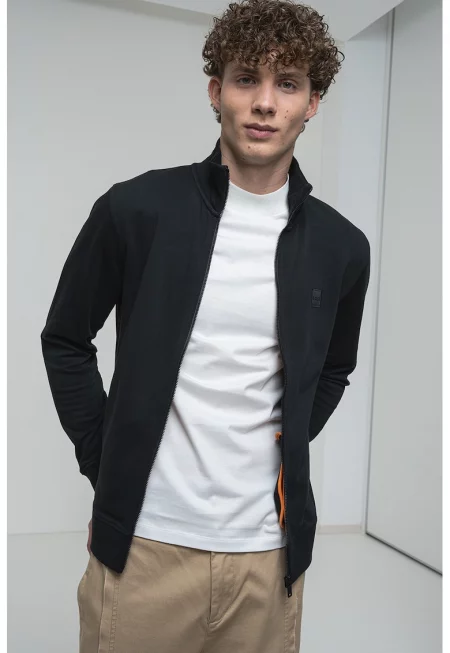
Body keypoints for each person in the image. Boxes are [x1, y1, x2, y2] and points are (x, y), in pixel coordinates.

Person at [41, 0, 370, 651]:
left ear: (313, 103)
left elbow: (334, 369)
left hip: (269, 556)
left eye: (288, 83)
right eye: (247, 79)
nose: (265, 103)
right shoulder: (136, 209)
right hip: (145, 548)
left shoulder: (341, 247)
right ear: (217, 91)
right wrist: (107, 466)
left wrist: (289, 445)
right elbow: (66, 339)